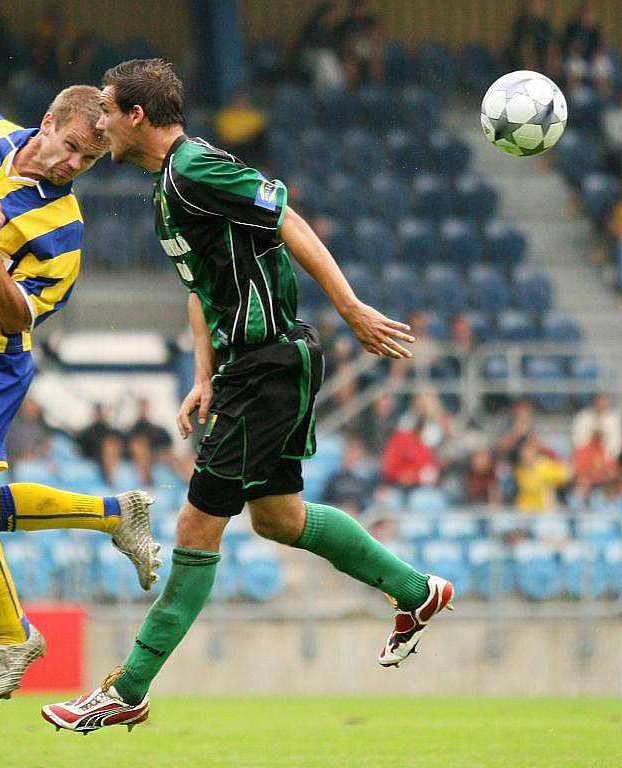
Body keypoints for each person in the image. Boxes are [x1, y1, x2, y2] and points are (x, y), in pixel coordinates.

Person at [41, 58, 454, 734]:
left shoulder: (197, 168)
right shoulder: (166, 188)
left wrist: (348, 305)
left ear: (136, 115)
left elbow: (284, 214)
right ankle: (417, 592)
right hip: (248, 367)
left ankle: (129, 688)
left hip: (268, 362)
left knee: (195, 527)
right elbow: (203, 289)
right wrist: (202, 375)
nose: (98, 122)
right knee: (278, 520)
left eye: (107, 109)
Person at [0, 87, 160, 707]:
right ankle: (112, 514)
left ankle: (13, 636)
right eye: (71, 148)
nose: (73, 166)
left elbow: (17, 318)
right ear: (46, 125)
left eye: (88, 162)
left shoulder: (62, 232)